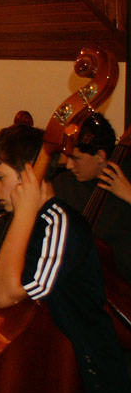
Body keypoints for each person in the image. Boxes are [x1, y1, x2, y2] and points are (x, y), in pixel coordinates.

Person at [0, 124, 130, 393]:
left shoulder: (58, 223)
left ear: (30, 176)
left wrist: (23, 215)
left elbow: (6, 295)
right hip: (57, 375)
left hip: (90, 381)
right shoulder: (30, 222)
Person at [50, 115, 131, 284]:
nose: (69, 166)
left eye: (75, 158)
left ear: (100, 156)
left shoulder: (128, 175)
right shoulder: (63, 184)